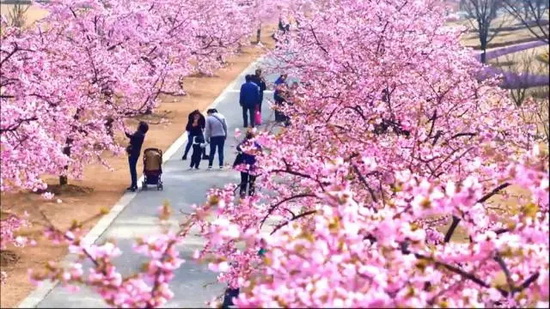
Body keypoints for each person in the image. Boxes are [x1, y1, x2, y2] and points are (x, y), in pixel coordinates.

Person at [234, 131, 261, 198]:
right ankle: (251, 194)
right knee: (252, 181)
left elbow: (238, 147)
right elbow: (260, 152)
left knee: (244, 180)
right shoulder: (256, 144)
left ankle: (242, 193)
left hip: (244, 164)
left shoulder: (244, 143)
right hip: (253, 164)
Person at [125, 121, 149, 192]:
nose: (137, 126)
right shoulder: (141, 134)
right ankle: (133, 184)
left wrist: (124, 129)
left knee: (132, 169)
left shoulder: (139, 134)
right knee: (132, 168)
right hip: (135, 152)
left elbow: (130, 136)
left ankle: (134, 184)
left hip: (133, 153)